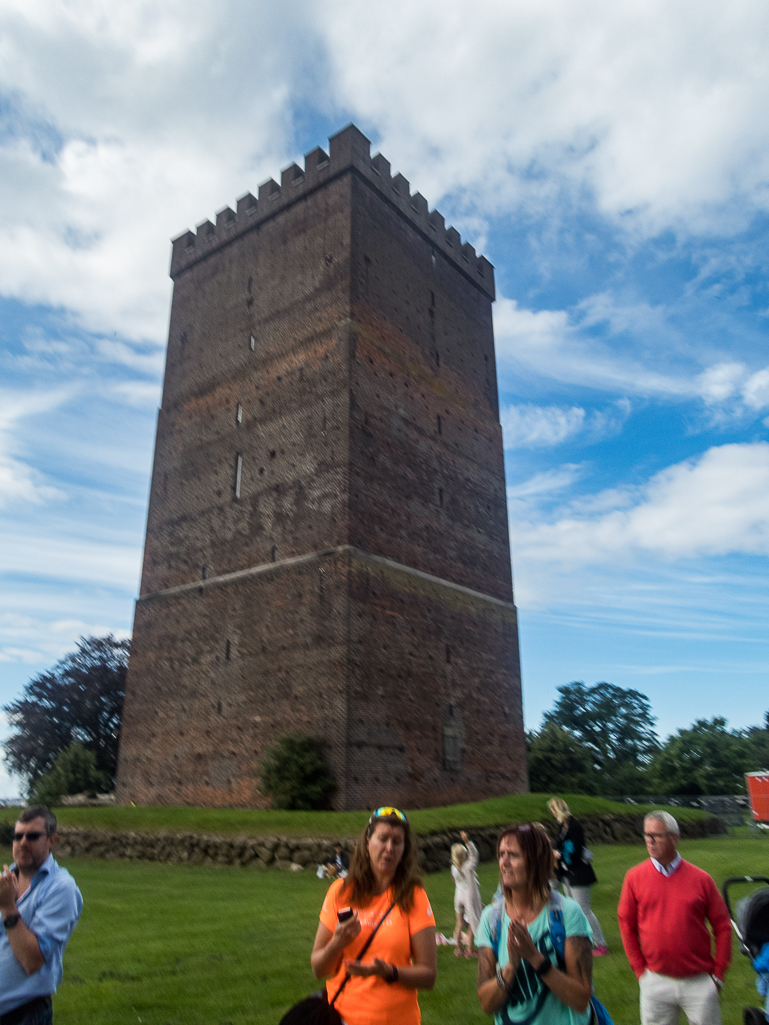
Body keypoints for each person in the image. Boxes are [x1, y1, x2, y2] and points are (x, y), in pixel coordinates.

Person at [311, 805, 436, 1025]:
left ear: (404, 849)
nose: (389, 848)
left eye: (397, 842)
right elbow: (318, 969)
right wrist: (336, 944)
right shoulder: (341, 891)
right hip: (342, 1018)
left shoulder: (414, 895)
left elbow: (428, 975)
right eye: (383, 838)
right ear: (368, 842)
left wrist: (389, 971)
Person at [618, 810, 731, 1025]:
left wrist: (718, 974)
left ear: (675, 838)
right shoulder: (634, 877)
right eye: (646, 834)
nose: (649, 841)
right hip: (655, 981)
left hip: (699, 982)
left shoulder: (701, 879)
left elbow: (722, 925)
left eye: (656, 835)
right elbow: (626, 924)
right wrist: (640, 970)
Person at [476, 822, 593, 1025]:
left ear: (536, 862)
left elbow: (581, 999)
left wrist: (534, 957)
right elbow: (486, 1004)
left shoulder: (567, 913)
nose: (504, 862)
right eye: (501, 854)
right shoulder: (491, 919)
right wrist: (511, 967)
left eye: (512, 855)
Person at [0, 806, 83, 1025]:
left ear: (51, 840)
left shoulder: (61, 888)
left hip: (22, 1016)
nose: (23, 842)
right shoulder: (5, 881)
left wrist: (8, 908)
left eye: (33, 836)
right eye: (18, 836)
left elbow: (32, 961)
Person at [548, 797, 609, 955]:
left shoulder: (575, 826)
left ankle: (600, 944)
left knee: (583, 909)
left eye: (553, 810)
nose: (553, 814)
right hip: (567, 874)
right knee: (574, 909)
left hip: (579, 874)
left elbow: (574, 851)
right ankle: (584, 940)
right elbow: (562, 846)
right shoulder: (563, 827)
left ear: (559, 810)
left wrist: (558, 854)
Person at [451, 830, 483, 958]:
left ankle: (458, 949)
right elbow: (474, 855)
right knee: (471, 924)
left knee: (459, 923)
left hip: (458, 895)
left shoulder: (453, 868)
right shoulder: (468, 867)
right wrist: (467, 842)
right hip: (468, 896)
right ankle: (470, 950)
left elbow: (454, 881)